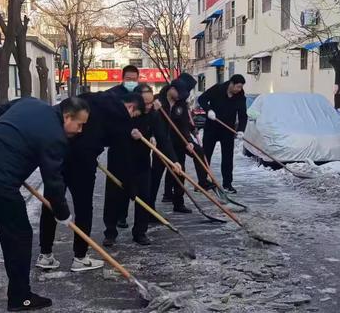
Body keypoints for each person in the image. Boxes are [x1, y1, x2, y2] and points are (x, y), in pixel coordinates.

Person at [0, 97, 89, 311]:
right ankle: (20, 297)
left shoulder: (29, 103)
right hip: (0, 184)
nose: (80, 130)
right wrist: (62, 213)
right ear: (66, 116)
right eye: (79, 124)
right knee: (19, 238)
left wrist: (2, 144)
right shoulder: (55, 136)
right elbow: (53, 181)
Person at [37, 92, 145, 271]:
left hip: (58, 156)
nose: (133, 119)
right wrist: (130, 186)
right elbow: (122, 155)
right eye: (136, 115)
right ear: (131, 107)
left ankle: (45, 254)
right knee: (83, 208)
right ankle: (80, 257)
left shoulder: (90, 98)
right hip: (83, 165)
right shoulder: (121, 118)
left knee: (51, 203)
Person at [103, 84, 182, 246]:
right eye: (145, 103)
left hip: (141, 163)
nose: (149, 106)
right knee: (114, 197)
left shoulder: (153, 115)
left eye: (151, 102)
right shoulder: (123, 114)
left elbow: (163, 139)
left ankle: (140, 232)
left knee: (144, 198)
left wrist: (173, 160)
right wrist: (128, 133)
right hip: (119, 162)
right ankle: (110, 232)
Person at [150, 73, 213, 214]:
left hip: (178, 142)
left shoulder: (181, 104)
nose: (180, 96)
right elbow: (150, 121)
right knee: (155, 176)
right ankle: (150, 208)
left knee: (180, 172)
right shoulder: (157, 101)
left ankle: (179, 203)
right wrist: (153, 133)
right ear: (171, 88)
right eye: (178, 93)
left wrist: (189, 141)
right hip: (161, 143)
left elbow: (184, 124)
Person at [103, 64, 140, 229]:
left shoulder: (140, 94)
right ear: (122, 78)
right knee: (113, 186)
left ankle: (122, 216)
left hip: (135, 146)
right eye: (128, 79)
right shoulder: (112, 94)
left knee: (128, 183)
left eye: (134, 79)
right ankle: (110, 226)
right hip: (117, 146)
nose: (132, 82)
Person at [199, 74, 248, 194]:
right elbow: (202, 99)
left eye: (240, 87)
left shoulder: (241, 97)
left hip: (227, 130)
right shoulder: (218, 89)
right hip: (212, 127)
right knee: (206, 155)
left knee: (227, 157)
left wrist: (241, 129)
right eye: (237, 87)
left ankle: (227, 184)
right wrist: (209, 110)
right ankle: (202, 182)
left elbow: (242, 115)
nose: (238, 89)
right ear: (231, 83)